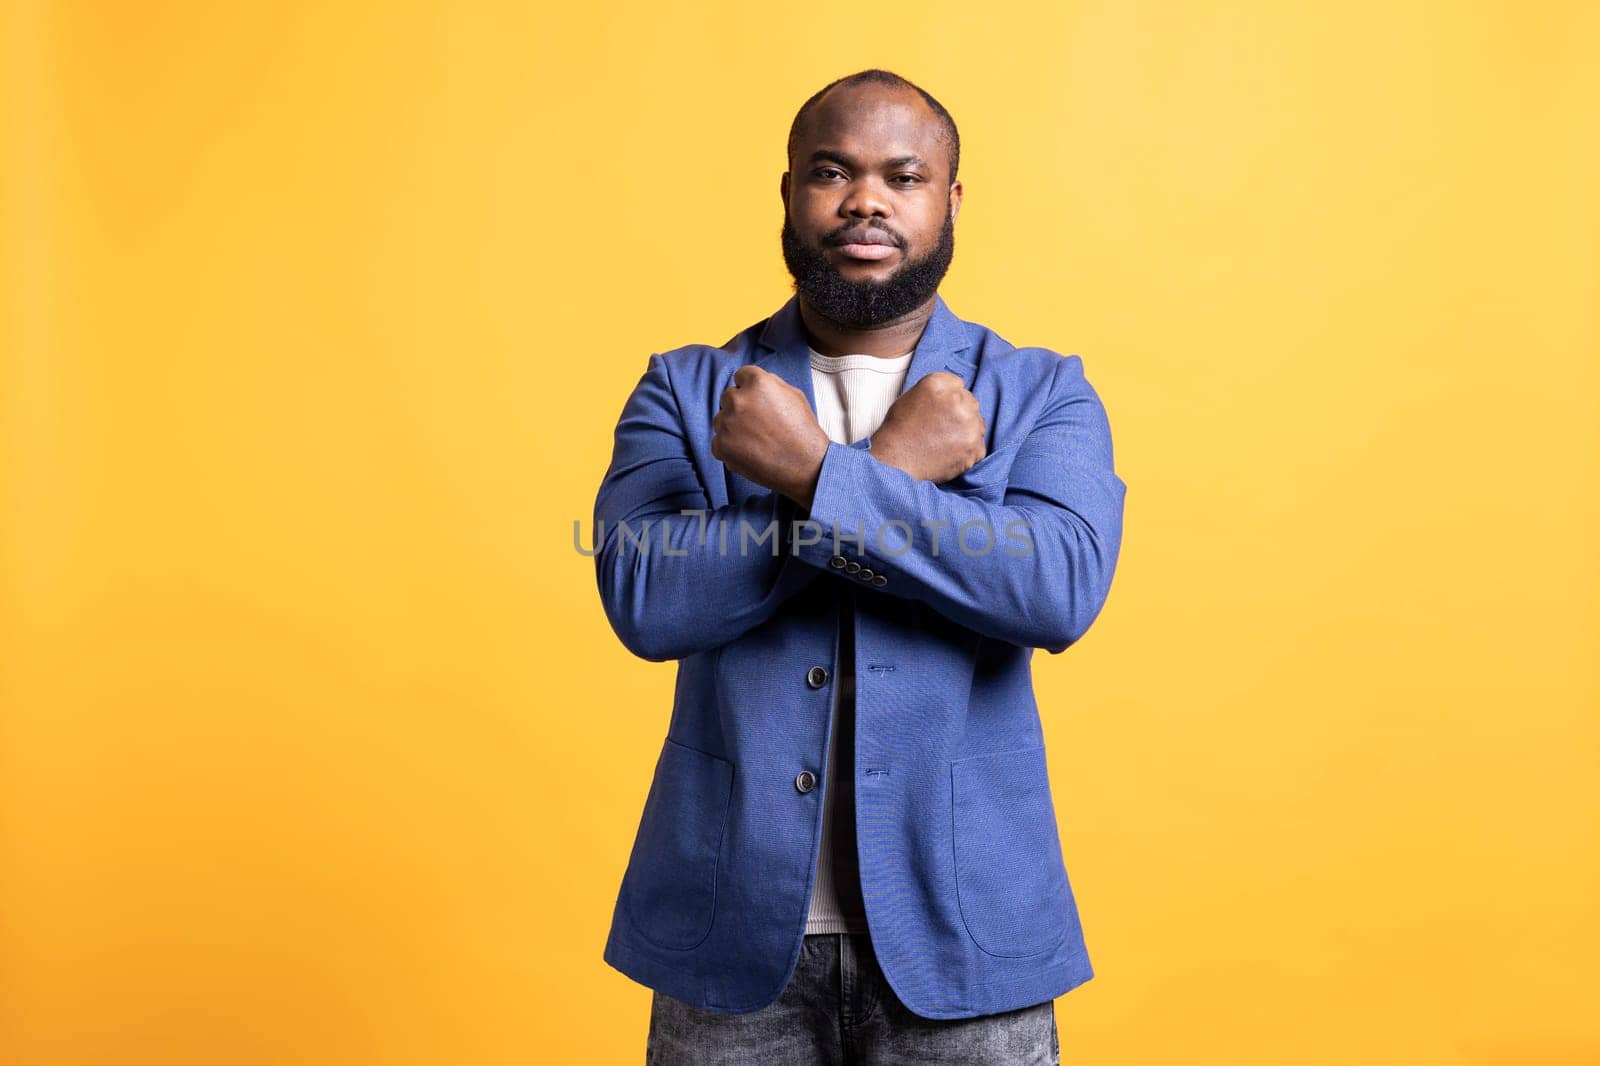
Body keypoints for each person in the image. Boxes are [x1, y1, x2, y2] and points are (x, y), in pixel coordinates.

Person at [591, 67, 1127, 1065]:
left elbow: (1053, 588)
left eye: (903, 175)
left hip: (970, 942)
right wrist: (884, 475)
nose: (865, 199)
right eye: (831, 171)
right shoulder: (690, 388)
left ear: (949, 199)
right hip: (729, 940)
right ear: (789, 191)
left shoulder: (1038, 392)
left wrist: (808, 475)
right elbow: (646, 595)